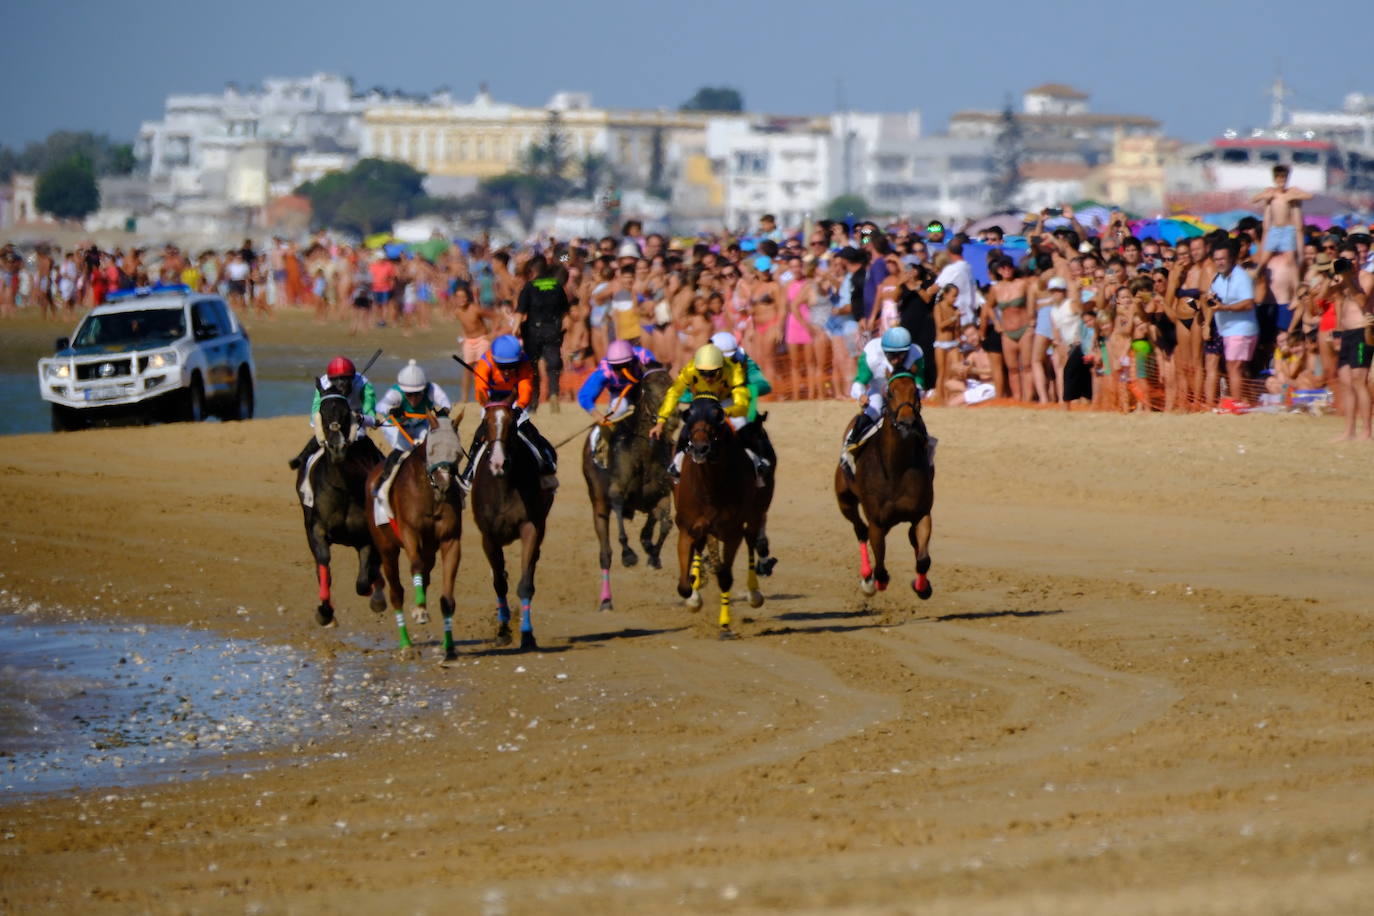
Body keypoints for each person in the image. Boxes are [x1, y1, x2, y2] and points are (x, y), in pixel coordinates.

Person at [463, 334, 558, 489]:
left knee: (529, 432)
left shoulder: (524, 362)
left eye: (511, 366)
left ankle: (547, 463)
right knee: (481, 434)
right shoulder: (485, 363)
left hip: (515, 401)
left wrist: (520, 406)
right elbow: (480, 390)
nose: (507, 371)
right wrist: (488, 405)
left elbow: (526, 387)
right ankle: (468, 472)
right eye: (503, 367)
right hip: (491, 402)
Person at [650, 344, 751, 481]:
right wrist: (661, 421)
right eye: (702, 373)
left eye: (712, 373)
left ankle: (755, 461)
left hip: (725, 402)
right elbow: (673, 393)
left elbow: (742, 404)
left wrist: (726, 412)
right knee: (690, 423)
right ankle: (677, 461)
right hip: (702, 401)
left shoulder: (734, 370)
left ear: (721, 368)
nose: (707, 378)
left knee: (741, 423)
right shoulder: (691, 369)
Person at [840, 326, 928, 474]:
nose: (895, 359)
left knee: (915, 419)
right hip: (878, 391)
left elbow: (920, 382)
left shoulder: (916, 354)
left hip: (902, 395)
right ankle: (849, 445)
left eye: (900, 355)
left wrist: (916, 393)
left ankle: (927, 452)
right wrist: (861, 395)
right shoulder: (871, 353)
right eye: (891, 354)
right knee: (873, 411)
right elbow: (859, 382)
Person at [578, 339, 657, 468]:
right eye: (617, 367)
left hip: (644, 389)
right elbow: (585, 395)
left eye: (625, 366)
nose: (621, 371)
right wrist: (596, 414)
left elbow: (658, 376)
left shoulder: (645, 357)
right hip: (620, 394)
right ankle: (600, 440)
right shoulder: (604, 371)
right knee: (621, 408)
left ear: (632, 361)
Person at [288, 356, 377, 470]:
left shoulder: (364, 385)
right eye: (337, 380)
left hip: (355, 421)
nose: (341, 384)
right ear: (330, 379)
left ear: (352, 378)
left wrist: (363, 418)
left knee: (362, 440)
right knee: (320, 438)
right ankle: (301, 459)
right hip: (331, 421)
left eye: (345, 379)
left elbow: (371, 416)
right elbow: (315, 412)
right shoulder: (323, 385)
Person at [374, 359, 453, 484]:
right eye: (409, 395)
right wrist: (391, 410)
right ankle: (384, 479)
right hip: (396, 427)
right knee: (405, 447)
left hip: (420, 425)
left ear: (424, 389)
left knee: (428, 445)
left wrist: (445, 409)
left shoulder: (432, 389)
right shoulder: (396, 392)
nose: (414, 399)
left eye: (418, 394)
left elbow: (444, 401)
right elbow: (379, 406)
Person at [516, 255, 571, 412]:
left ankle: (533, 401)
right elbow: (566, 315)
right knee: (553, 363)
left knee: (532, 366)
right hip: (552, 329)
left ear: (532, 270)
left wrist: (516, 330)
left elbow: (520, 312)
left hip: (533, 331)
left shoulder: (529, 286)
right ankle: (554, 393)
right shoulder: (557, 285)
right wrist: (563, 331)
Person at [1207, 241, 1259, 405]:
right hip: (1227, 330)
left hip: (1242, 329)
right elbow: (1213, 299)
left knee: (1233, 367)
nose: (1219, 262)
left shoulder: (1241, 277)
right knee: (1236, 368)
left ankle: (1236, 403)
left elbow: (1249, 303)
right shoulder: (1218, 278)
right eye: (1216, 259)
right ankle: (1244, 401)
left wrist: (1224, 307)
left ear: (1231, 259)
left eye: (1223, 259)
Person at [1330, 257, 1374, 440]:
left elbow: (1362, 301)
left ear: (1358, 258)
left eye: (1352, 259)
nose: (1350, 264)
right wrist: (1331, 275)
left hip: (1361, 332)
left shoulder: (1366, 277)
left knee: (1358, 380)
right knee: (1346, 382)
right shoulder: (1340, 279)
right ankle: (1349, 431)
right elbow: (1330, 299)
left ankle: (1366, 431)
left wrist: (1348, 279)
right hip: (1346, 333)